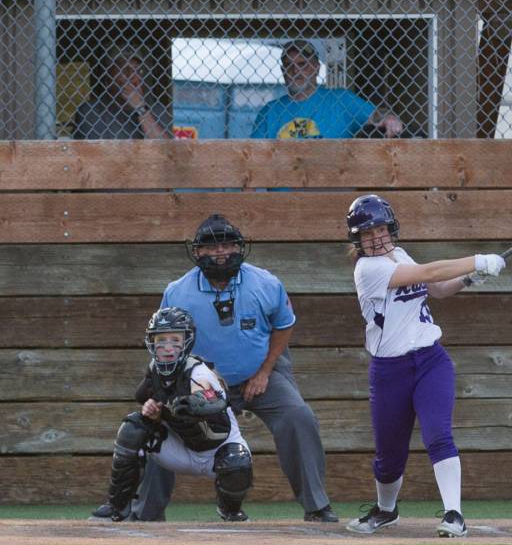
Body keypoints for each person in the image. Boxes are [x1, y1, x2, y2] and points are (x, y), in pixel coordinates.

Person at [130, 214, 338, 522]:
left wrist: (264, 372)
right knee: (158, 423)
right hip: (199, 382)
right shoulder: (177, 292)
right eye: (212, 247)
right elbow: (166, 343)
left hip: (260, 374)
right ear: (197, 251)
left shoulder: (266, 283)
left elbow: (284, 326)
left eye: (227, 245)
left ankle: (317, 506)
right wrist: (186, 384)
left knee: (299, 417)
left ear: (239, 247)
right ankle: (145, 513)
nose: (221, 252)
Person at [343, 194, 506, 538]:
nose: (375, 237)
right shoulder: (367, 269)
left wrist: (470, 278)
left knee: (438, 434)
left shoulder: (399, 255)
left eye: (380, 229)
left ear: (390, 228)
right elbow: (429, 271)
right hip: (390, 370)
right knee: (389, 457)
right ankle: (386, 510)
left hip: (431, 360)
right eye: (367, 233)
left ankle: (454, 514)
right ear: (357, 240)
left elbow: (438, 288)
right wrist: (477, 259)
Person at [90, 308, 253, 522]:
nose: (168, 347)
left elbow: (214, 400)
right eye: (161, 340)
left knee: (237, 460)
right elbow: (144, 399)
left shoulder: (198, 371)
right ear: (152, 342)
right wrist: (153, 412)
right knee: (133, 428)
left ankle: (231, 511)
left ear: (187, 342)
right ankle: (117, 506)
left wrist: (195, 402)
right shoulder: (154, 372)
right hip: (179, 450)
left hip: (217, 453)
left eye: (175, 340)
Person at [249, 39, 404, 139]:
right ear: (283, 71)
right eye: (289, 65)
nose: (295, 71)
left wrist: (388, 118)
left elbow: (375, 114)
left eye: (302, 64)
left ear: (316, 68)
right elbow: (254, 156)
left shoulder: (340, 100)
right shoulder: (269, 112)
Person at [73, 45, 172, 140]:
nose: (131, 76)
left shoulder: (157, 110)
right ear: (108, 79)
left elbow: (165, 149)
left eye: (138, 70)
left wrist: (140, 108)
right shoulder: (91, 111)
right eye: (123, 70)